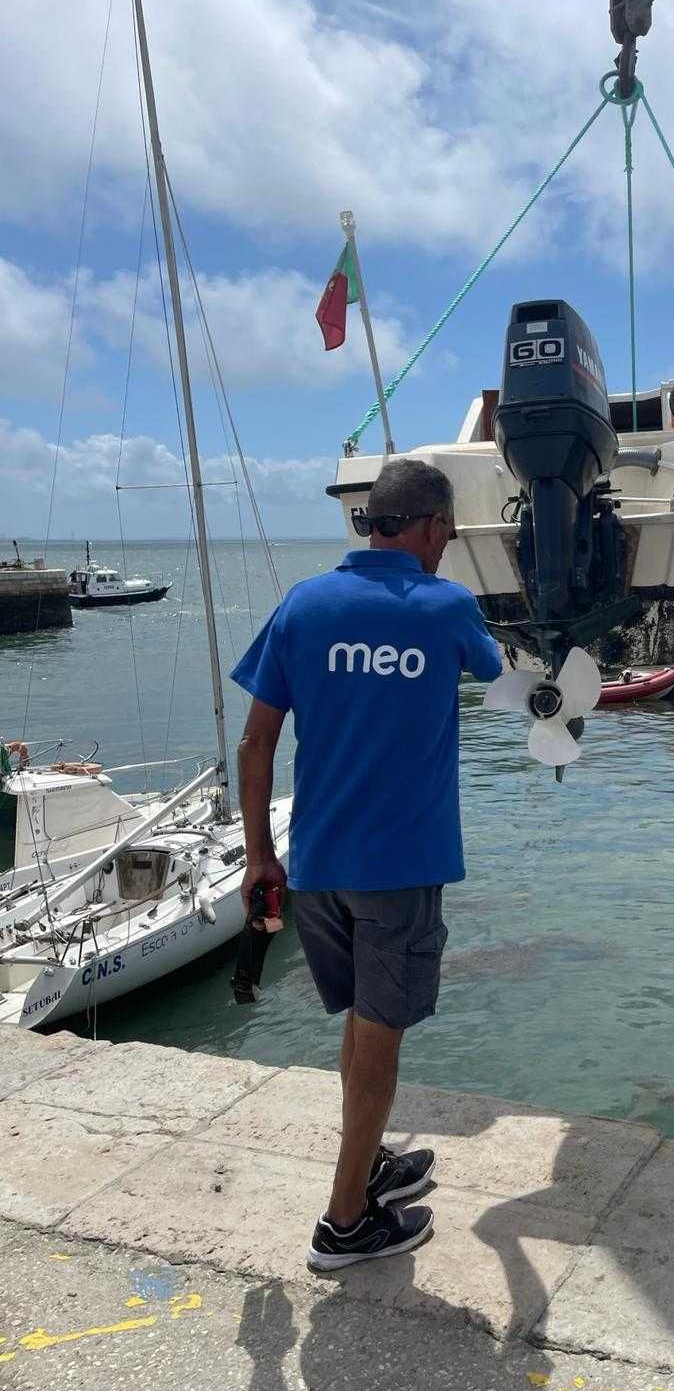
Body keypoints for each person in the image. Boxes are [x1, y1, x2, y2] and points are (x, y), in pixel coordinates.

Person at [232, 457, 502, 1270]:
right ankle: (345, 1221)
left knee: (359, 1024)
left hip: (314, 867)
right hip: (399, 868)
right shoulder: (447, 606)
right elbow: (498, 675)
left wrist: (257, 855)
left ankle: (371, 1163)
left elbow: (256, 740)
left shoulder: (304, 604)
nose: (448, 547)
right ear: (425, 527)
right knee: (380, 1044)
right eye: (448, 533)